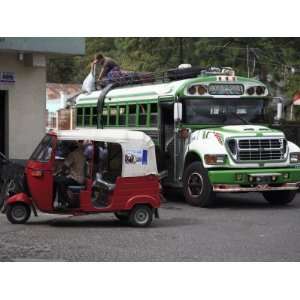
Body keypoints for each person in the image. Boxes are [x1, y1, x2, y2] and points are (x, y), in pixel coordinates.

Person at [54, 141, 86, 208]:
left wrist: (58, 173)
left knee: (59, 181)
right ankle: (63, 201)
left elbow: (65, 166)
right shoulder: (81, 154)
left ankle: (64, 202)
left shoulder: (72, 154)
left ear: (71, 148)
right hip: (80, 178)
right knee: (61, 180)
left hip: (76, 179)